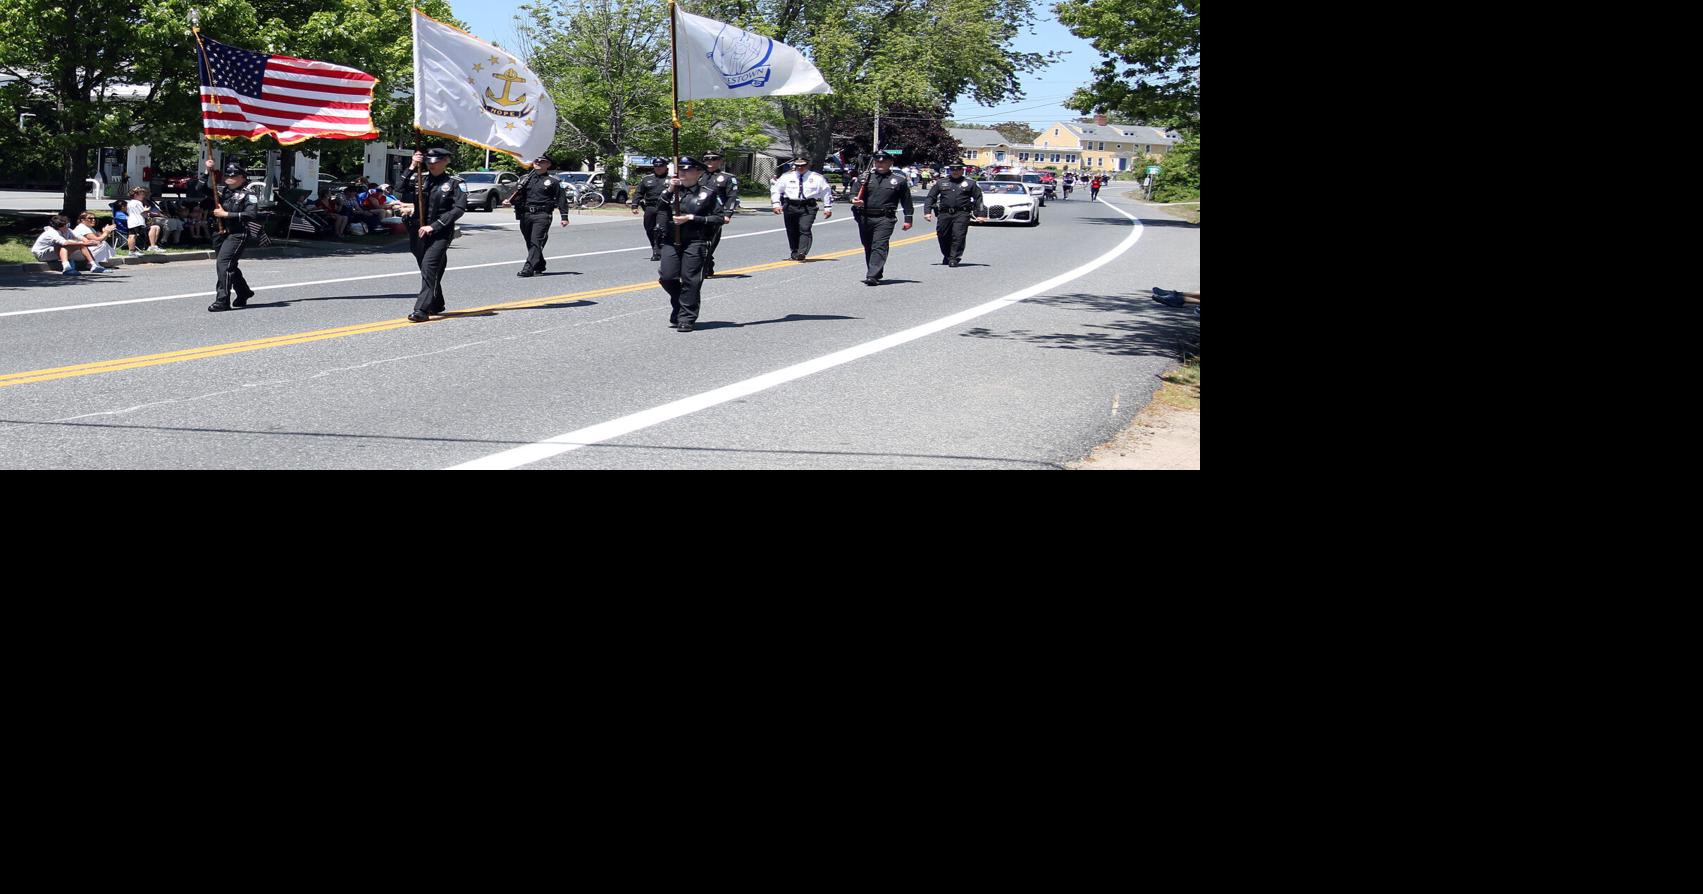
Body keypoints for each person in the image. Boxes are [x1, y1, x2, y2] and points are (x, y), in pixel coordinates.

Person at [654, 157, 725, 333]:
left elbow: (719, 218)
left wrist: (692, 218)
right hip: (671, 241)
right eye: (681, 170)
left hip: (696, 241)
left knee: (690, 280)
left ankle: (686, 317)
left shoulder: (709, 193)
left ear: (699, 172)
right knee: (667, 277)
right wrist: (670, 189)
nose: (683, 173)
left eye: (688, 170)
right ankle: (680, 304)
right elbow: (659, 208)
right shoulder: (671, 192)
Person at [399, 147, 468, 323]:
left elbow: (459, 209)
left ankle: (421, 309)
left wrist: (435, 226)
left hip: (440, 233)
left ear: (446, 161)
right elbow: (399, 188)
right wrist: (413, 165)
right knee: (428, 268)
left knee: (429, 268)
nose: (432, 165)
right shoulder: (420, 179)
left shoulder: (454, 183)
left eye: (436, 162)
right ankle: (437, 302)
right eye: (429, 162)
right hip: (417, 232)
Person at [203, 158, 262, 312]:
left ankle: (222, 300)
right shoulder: (221, 191)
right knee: (229, 266)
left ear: (242, 177)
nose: (229, 177)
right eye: (228, 174)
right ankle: (244, 292)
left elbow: (251, 214)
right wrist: (206, 172)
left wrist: (226, 214)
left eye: (234, 175)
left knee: (223, 264)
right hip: (219, 232)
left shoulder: (249, 194)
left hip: (237, 233)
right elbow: (200, 189)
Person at [849, 153, 914, 286]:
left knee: (879, 245)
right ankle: (876, 271)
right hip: (865, 217)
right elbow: (853, 193)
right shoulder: (864, 178)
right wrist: (854, 200)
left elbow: (906, 201)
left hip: (885, 218)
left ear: (890, 163)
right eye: (877, 162)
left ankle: (872, 275)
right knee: (868, 246)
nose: (880, 164)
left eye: (883, 162)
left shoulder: (899, 180)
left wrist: (908, 218)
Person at [503, 154, 572, 277]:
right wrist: (508, 201)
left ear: (548, 165)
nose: (538, 162)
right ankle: (539, 264)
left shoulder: (553, 181)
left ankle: (528, 268)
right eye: (536, 160)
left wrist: (564, 217)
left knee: (536, 241)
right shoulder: (525, 179)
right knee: (529, 242)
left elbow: (562, 200)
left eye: (542, 161)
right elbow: (515, 193)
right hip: (525, 214)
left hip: (542, 215)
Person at [768, 157, 834, 261]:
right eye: (797, 165)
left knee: (804, 228)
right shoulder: (786, 177)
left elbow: (826, 192)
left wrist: (827, 208)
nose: (800, 167)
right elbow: (776, 190)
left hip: (808, 206)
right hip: (790, 205)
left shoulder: (817, 178)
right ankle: (794, 251)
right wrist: (776, 204)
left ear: (808, 165)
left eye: (803, 165)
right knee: (791, 230)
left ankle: (802, 252)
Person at [924, 164, 987, 268]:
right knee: (942, 235)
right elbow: (931, 197)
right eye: (953, 170)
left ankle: (954, 258)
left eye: (958, 170)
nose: (955, 172)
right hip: (944, 214)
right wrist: (927, 211)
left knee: (958, 236)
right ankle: (947, 255)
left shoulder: (970, 183)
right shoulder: (941, 182)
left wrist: (981, 214)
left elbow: (978, 199)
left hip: (962, 213)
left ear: (962, 171)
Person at [31, 215, 111, 275]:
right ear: (59, 226)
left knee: (80, 245)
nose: (68, 226)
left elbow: (81, 238)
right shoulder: (51, 233)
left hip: (55, 252)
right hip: (42, 254)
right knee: (65, 244)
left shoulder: (68, 230)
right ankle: (66, 268)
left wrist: (90, 242)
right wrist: (83, 243)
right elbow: (64, 243)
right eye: (67, 225)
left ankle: (94, 265)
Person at [700, 152, 739, 276]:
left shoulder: (727, 177)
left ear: (720, 161)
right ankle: (706, 265)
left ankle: (705, 267)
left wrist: (727, 213)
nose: (710, 163)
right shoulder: (698, 175)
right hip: (697, 213)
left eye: (713, 160)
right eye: (706, 160)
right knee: (697, 241)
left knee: (710, 242)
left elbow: (732, 197)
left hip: (715, 214)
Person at [628, 158, 671, 261]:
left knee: (660, 229)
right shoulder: (647, 179)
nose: (658, 168)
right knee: (649, 228)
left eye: (661, 166)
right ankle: (655, 247)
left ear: (666, 167)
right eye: (656, 166)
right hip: (650, 207)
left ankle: (658, 251)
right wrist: (634, 205)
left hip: (665, 208)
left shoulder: (671, 179)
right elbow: (639, 193)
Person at [125, 187, 165, 255]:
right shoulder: (138, 202)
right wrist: (147, 210)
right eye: (141, 194)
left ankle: (131, 251)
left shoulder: (130, 203)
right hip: (137, 221)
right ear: (135, 195)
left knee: (131, 235)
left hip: (131, 221)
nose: (143, 196)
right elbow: (143, 213)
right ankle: (132, 251)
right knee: (133, 236)